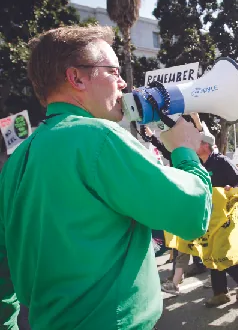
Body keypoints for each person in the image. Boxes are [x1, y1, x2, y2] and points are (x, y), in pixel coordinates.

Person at [0, 25, 212, 329]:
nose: (123, 82)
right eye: (112, 71)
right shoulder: (98, 137)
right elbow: (192, 215)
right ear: (77, 78)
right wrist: (184, 150)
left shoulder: (18, 158)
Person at [193, 124, 238, 307]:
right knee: (210, 253)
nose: (194, 144)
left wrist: (231, 188)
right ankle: (220, 293)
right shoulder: (199, 164)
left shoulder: (221, 162)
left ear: (206, 146)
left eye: (198, 142)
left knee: (219, 253)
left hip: (225, 217)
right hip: (209, 217)